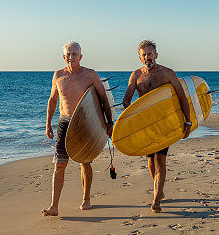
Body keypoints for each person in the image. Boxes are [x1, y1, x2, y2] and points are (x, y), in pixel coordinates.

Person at [42, 41, 113, 217]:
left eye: (75, 54)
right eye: (68, 54)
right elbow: (53, 100)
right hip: (64, 122)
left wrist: (109, 123)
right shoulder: (58, 75)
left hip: (84, 123)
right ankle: (54, 206)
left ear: (80, 56)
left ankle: (86, 198)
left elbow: (103, 99)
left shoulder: (90, 75)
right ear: (64, 57)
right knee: (59, 164)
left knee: (84, 162)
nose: (71, 57)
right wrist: (48, 123)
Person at [122, 40, 191, 213]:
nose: (147, 57)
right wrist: (128, 114)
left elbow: (182, 97)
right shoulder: (136, 76)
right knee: (150, 161)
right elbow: (127, 100)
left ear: (156, 55)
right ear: (140, 57)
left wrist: (187, 122)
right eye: (144, 54)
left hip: (164, 123)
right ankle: (158, 190)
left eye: (150, 53)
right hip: (145, 125)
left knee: (160, 159)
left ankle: (156, 199)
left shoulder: (167, 73)